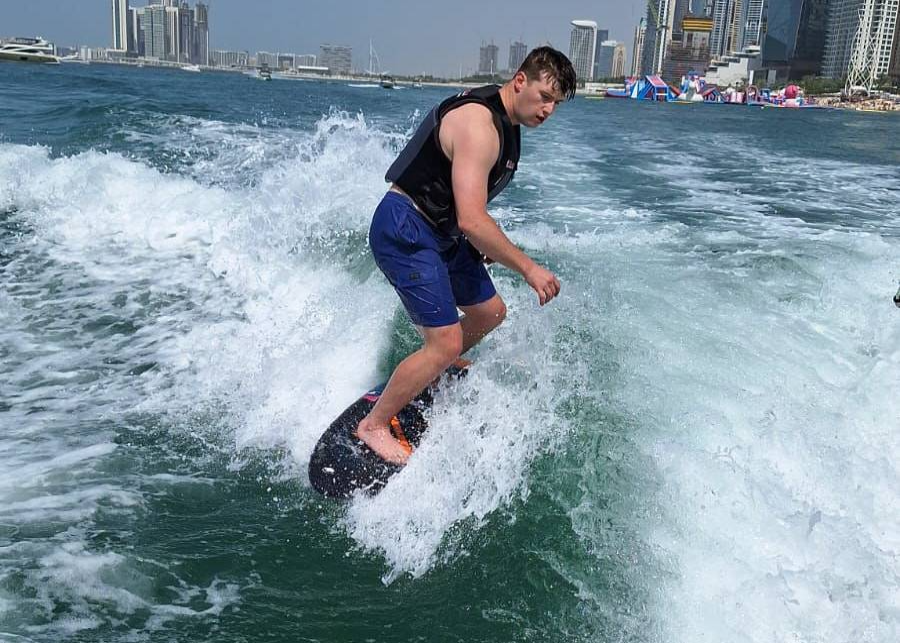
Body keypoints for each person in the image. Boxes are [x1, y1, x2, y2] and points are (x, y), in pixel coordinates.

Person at [357, 47, 577, 464]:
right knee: (446, 342)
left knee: (490, 312)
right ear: (519, 81)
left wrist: (477, 241)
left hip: (444, 231)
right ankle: (373, 425)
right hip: (406, 227)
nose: (548, 109)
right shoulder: (479, 125)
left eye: (556, 103)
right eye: (544, 96)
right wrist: (528, 269)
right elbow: (473, 219)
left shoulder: (507, 121)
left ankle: (436, 365)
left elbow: (468, 210)